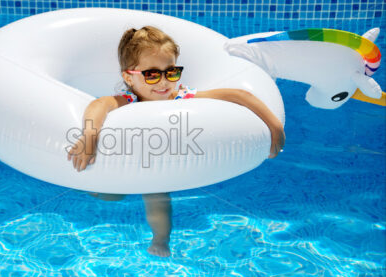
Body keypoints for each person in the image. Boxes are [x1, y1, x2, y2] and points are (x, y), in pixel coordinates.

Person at [67, 26, 285, 257]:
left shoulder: (180, 96)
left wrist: (274, 125)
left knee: (157, 195)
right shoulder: (129, 100)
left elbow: (239, 95)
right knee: (112, 195)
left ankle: (161, 240)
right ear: (128, 77)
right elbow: (100, 104)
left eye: (170, 71)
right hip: (129, 158)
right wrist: (90, 135)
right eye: (152, 74)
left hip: (159, 166)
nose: (163, 83)